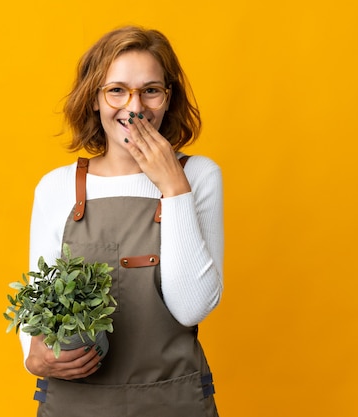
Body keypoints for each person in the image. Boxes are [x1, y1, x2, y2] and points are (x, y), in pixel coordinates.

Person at [20, 25, 224, 417]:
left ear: (168, 99)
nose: (135, 107)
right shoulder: (56, 187)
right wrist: (33, 359)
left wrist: (173, 187)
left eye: (151, 90)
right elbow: (37, 302)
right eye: (117, 90)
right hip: (74, 404)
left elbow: (191, 309)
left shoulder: (199, 176)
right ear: (94, 100)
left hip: (173, 401)